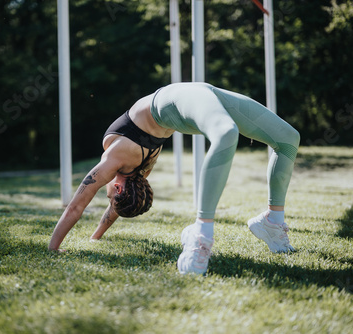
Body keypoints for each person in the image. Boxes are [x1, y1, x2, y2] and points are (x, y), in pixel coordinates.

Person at [48, 82, 300, 275]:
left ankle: (202, 233)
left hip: (183, 100)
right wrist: (95, 236)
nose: (107, 193)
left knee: (272, 137)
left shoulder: (117, 160)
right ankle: (272, 221)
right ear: (118, 187)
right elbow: (106, 206)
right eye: (111, 195)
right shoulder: (138, 170)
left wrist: (53, 248)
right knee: (268, 137)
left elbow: (77, 206)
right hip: (188, 100)